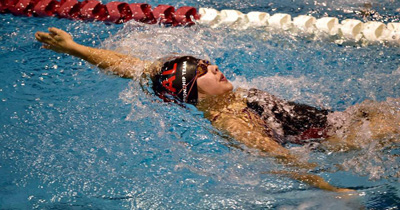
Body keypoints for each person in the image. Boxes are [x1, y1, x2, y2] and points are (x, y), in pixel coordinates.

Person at [35, 27, 399, 192]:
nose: (213, 68)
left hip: (345, 117)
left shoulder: (220, 99)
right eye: (203, 71)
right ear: (194, 92)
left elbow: (133, 67)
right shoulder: (235, 122)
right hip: (341, 138)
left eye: (207, 62)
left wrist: (76, 49)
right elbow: (282, 161)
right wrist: (330, 189)